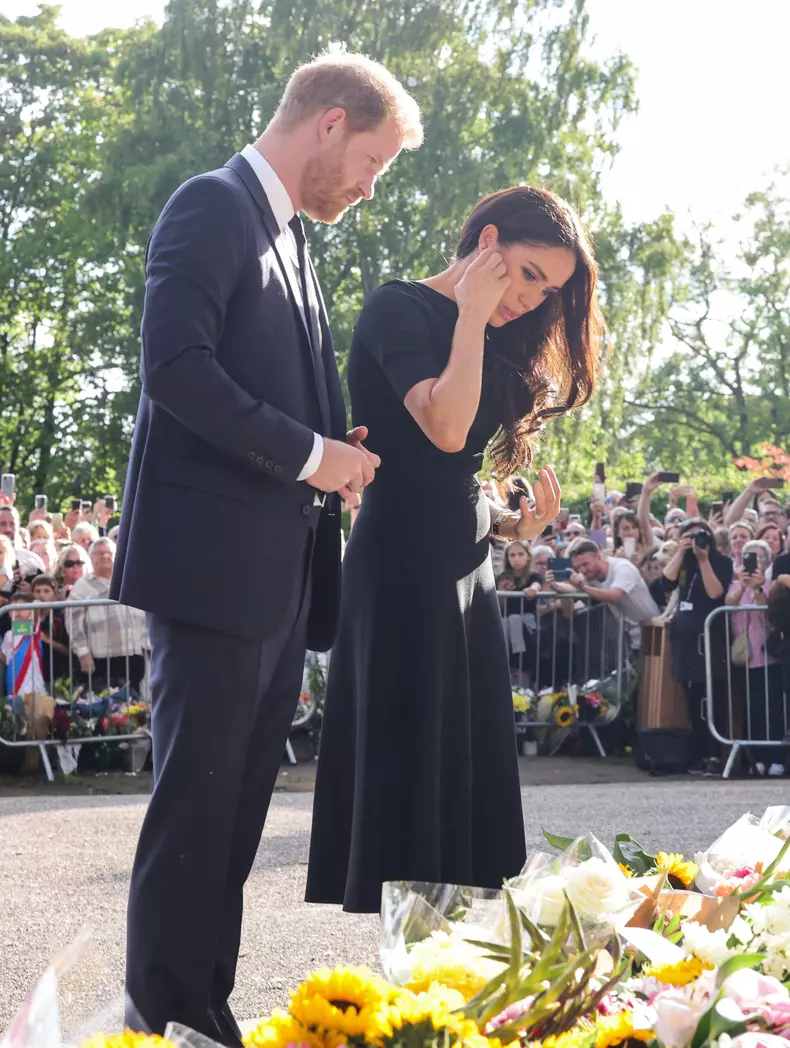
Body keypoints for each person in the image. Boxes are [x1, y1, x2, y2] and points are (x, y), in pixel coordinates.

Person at [110, 52, 422, 1044]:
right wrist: (312, 454)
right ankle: (162, 1013)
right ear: (329, 123)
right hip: (212, 572)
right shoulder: (211, 205)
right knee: (195, 809)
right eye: (372, 162)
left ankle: (203, 1008)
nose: (369, 189)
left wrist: (334, 447)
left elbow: (268, 397)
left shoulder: (289, 240)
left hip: (277, 577)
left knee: (236, 812)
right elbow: (175, 368)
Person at [307, 183, 603, 913]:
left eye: (549, 291)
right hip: (400, 565)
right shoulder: (398, 308)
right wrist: (471, 315)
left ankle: (447, 960)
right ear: (489, 240)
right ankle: (414, 964)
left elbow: (457, 473)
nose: (532, 300)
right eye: (529, 275)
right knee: (411, 768)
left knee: (460, 781)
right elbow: (443, 429)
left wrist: (512, 526)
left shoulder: (497, 336)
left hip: (467, 569)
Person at [652, 518, 734, 776]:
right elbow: (664, 585)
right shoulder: (683, 562)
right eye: (689, 536)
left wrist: (704, 560)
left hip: (710, 639)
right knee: (692, 698)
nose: (695, 541)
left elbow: (715, 592)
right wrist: (680, 552)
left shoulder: (722, 562)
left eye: (700, 535)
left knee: (712, 698)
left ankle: (713, 755)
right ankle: (697, 754)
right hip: (685, 640)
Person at [725, 539, 785, 776]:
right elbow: (729, 603)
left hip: (768, 656)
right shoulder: (734, 584)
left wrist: (757, 588)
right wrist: (743, 585)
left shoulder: (772, 586)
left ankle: (776, 758)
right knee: (752, 709)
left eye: (759, 557)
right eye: (749, 556)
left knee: (773, 708)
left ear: (768, 561)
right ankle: (757, 758)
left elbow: (768, 612)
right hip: (745, 658)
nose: (754, 561)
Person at [68, 539, 149, 692]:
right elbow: (73, 623)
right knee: (108, 701)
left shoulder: (130, 579)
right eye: (100, 553)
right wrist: (83, 653)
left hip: (135, 653)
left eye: (109, 553)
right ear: (91, 558)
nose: (105, 556)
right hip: (103, 658)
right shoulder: (82, 586)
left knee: (136, 701)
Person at [569, 539, 660, 628]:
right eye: (578, 567)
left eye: (585, 564)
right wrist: (562, 582)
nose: (582, 570)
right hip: (627, 631)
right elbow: (571, 588)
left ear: (598, 557)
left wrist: (583, 587)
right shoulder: (590, 576)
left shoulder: (623, 567)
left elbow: (613, 596)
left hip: (652, 627)